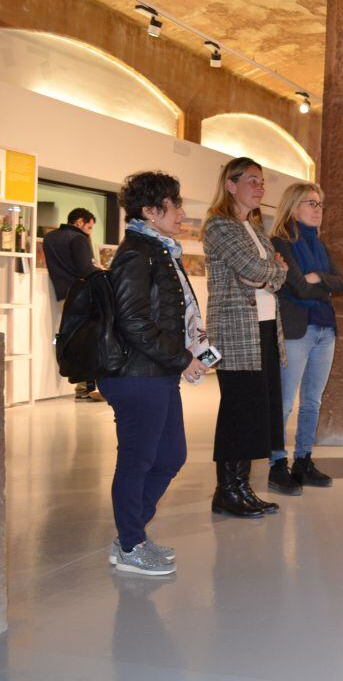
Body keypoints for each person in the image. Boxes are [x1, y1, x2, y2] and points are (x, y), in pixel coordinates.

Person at [102, 172, 207, 575]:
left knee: (170, 455)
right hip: (137, 375)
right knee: (138, 460)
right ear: (149, 210)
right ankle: (130, 544)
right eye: (174, 204)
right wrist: (182, 358)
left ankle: (131, 536)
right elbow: (134, 322)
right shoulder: (137, 254)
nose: (181, 212)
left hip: (154, 372)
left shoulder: (159, 250)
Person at [203, 157, 291, 517]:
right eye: (252, 181)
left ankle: (242, 486)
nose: (260, 187)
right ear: (231, 184)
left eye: (262, 182)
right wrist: (270, 273)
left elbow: (275, 273)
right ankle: (227, 490)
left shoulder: (254, 227)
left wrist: (268, 276)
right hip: (237, 329)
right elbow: (256, 268)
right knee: (238, 411)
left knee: (257, 411)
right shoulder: (220, 227)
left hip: (266, 328)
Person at [270, 182, 343, 488]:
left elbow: (342, 283)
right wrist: (322, 283)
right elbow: (299, 287)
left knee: (312, 401)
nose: (318, 209)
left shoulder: (320, 244)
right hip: (296, 329)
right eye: (310, 203)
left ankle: (303, 460)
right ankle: (278, 464)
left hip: (325, 328)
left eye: (319, 204)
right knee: (286, 401)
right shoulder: (280, 243)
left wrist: (321, 278)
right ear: (292, 207)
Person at [43, 207, 103, 401]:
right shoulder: (78, 238)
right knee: (88, 339)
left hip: (64, 295)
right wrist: (100, 271)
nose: (89, 231)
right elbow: (85, 268)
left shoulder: (50, 238)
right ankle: (87, 387)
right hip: (83, 295)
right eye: (89, 227)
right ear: (79, 222)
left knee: (72, 339)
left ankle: (82, 386)